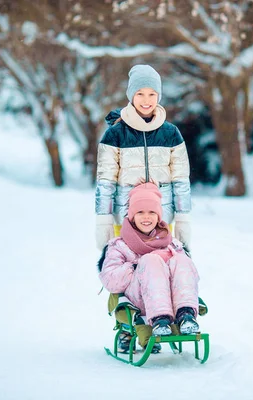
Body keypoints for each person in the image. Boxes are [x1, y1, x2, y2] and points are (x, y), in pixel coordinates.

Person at [94, 64, 191, 251]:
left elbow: (181, 180)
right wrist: (103, 220)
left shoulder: (171, 133)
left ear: (159, 96)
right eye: (140, 93)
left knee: (159, 271)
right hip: (124, 217)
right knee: (125, 271)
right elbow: (105, 182)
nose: (146, 100)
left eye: (152, 94)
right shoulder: (115, 134)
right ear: (131, 95)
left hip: (161, 217)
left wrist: (183, 217)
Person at [98, 183, 200, 352]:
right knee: (151, 261)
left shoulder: (171, 243)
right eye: (140, 212)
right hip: (138, 301)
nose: (146, 217)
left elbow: (188, 274)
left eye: (152, 212)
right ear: (132, 215)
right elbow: (110, 279)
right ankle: (159, 319)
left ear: (158, 215)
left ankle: (186, 315)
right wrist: (136, 266)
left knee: (181, 260)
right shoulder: (119, 245)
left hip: (171, 299)